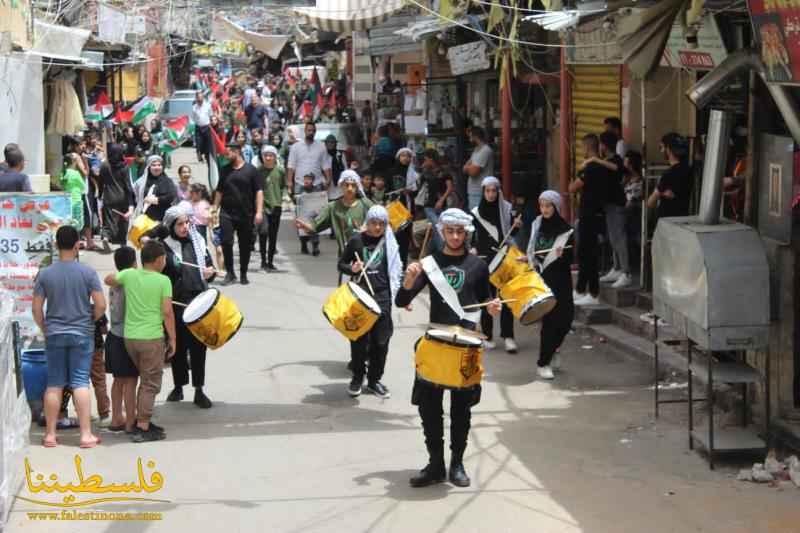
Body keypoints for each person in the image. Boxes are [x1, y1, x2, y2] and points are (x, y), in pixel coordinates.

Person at [395, 208, 502, 488]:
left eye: (460, 232)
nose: (455, 236)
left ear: (466, 233)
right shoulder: (429, 263)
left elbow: (486, 301)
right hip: (435, 345)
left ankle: (457, 464)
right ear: (442, 232)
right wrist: (408, 279)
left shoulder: (478, 266)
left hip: (465, 347)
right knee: (429, 410)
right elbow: (401, 299)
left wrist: (493, 309)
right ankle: (435, 464)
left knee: (461, 411)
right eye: (450, 231)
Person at [32, 226, 107, 448]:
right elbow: (101, 305)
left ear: (56, 245)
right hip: (81, 333)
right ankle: (85, 435)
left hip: (55, 332)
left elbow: (36, 309)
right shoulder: (88, 273)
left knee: (54, 383)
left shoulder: (45, 273)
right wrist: (89, 319)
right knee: (80, 382)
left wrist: (45, 328)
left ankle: (50, 435)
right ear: (77, 245)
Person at [104, 240, 176, 443]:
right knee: (150, 382)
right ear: (159, 259)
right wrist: (173, 338)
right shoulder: (163, 281)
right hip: (151, 338)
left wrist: (118, 279)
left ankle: (139, 419)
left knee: (141, 379)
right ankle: (142, 426)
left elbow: (109, 279)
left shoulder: (129, 274)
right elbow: (167, 312)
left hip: (130, 338)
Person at [148, 206, 216, 408]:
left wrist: (209, 273)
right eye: (180, 224)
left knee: (198, 347)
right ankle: (178, 386)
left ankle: (199, 389)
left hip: (198, 302)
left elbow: (209, 267)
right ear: (170, 225)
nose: (185, 227)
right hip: (175, 304)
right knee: (176, 348)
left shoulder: (198, 241)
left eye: (187, 222)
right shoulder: (163, 247)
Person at [337, 205, 402, 398]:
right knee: (358, 339)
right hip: (360, 296)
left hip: (383, 296)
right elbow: (341, 264)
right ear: (368, 222)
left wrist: (401, 296)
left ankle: (374, 380)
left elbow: (397, 268)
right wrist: (353, 269)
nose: (377, 227)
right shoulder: (357, 240)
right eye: (373, 223)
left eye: (381, 224)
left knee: (381, 341)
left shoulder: (389, 242)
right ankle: (357, 378)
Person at [526, 191, 575, 380]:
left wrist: (564, 256)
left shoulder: (566, 230)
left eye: (548, 206)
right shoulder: (536, 225)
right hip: (542, 280)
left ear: (556, 207)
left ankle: (554, 349)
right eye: (542, 206)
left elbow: (572, 258)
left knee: (566, 320)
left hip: (561, 279)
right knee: (549, 322)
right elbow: (533, 251)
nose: (545, 209)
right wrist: (529, 258)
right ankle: (543, 363)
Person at [470, 176, 521, 353]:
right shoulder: (475, 212)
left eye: (494, 190)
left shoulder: (507, 209)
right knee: (487, 299)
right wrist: (472, 249)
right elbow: (471, 236)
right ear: (483, 192)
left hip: (504, 258)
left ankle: (508, 336)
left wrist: (517, 225)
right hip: (484, 259)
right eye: (487, 190)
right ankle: (487, 336)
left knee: (505, 298)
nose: (491, 194)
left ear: (498, 191)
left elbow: (514, 231)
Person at [213, 143, 264, 285]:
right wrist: (214, 208)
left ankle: (243, 273)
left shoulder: (251, 170)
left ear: (237, 152)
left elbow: (259, 192)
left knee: (245, 244)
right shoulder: (224, 170)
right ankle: (230, 273)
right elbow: (219, 190)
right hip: (226, 213)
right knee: (226, 242)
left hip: (246, 214)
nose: (226, 156)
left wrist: (259, 212)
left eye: (228, 153)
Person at [294, 170, 373, 260]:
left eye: (353, 185)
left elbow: (382, 223)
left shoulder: (366, 204)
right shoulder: (333, 207)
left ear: (357, 186)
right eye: (346, 185)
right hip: (345, 256)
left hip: (366, 257)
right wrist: (304, 226)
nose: (350, 188)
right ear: (340, 186)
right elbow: (316, 225)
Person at [104, 246, 139, 434]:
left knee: (118, 380)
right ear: (134, 263)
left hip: (114, 334)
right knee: (131, 381)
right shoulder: (129, 282)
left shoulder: (115, 281)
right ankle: (130, 422)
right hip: (128, 335)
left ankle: (117, 417)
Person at [569, 134, 606, 306]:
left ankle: (593, 292)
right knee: (584, 253)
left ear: (587, 147)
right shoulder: (602, 166)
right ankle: (581, 289)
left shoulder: (591, 168)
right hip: (594, 213)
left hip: (590, 215)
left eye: (583, 147)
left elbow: (572, 187)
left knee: (588, 254)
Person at [594, 131, 632, 289]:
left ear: (604, 145)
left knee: (619, 237)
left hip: (616, 205)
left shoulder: (615, 159)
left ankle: (626, 272)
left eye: (601, 144)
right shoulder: (606, 160)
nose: (600, 147)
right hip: (608, 205)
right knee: (612, 237)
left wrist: (596, 160)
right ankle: (616, 268)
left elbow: (621, 170)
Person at [647, 132, 692, 221]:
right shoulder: (689, 170)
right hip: (683, 219)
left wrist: (661, 193)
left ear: (668, 149)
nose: (661, 151)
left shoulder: (668, 174)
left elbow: (650, 203)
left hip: (667, 221)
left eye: (661, 147)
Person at [258, 145, 288, 271]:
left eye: (271, 155)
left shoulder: (280, 170)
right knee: (263, 232)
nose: (268, 158)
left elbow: (284, 186)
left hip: (276, 206)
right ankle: (263, 261)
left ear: (275, 157)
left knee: (273, 235)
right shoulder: (258, 171)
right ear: (262, 157)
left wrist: (285, 196)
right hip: (263, 206)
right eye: (266, 155)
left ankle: (270, 261)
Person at [100, 144, 135, 245]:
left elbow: (101, 181)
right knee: (123, 220)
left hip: (108, 196)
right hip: (122, 197)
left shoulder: (104, 166)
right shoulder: (124, 167)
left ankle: (106, 237)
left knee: (108, 220)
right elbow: (128, 185)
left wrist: (100, 194)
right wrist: (131, 202)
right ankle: (122, 242)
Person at [420, 149, 452, 253]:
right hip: (428, 205)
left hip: (441, 205)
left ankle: (427, 253)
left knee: (436, 230)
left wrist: (441, 200)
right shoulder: (426, 172)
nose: (424, 162)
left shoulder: (444, 171)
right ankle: (442, 252)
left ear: (431, 159)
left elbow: (450, 188)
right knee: (438, 227)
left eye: (426, 160)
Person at [287, 122, 331, 196]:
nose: (311, 132)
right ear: (305, 131)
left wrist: (328, 179)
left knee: (317, 207)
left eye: (313, 131)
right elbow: (291, 165)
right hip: (300, 183)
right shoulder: (295, 147)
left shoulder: (321, 146)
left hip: (317, 183)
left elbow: (325, 165)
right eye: (309, 130)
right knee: (300, 207)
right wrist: (289, 182)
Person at [60, 154, 93, 249]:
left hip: (67, 201)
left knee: (68, 223)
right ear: (74, 162)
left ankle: (69, 245)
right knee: (77, 225)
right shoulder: (76, 174)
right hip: (77, 201)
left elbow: (61, 184)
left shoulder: (63, 173)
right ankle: (76, 245)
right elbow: (82, 185)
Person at [134, 155, 177, 223]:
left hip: (163, 218)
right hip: (144, 219)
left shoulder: (167, 181)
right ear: (148, 167)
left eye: (159, 165)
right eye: (153, 165)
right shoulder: (140, 182)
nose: (157, 167)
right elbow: (134, 197)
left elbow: (171, 196)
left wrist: (157, 200)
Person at [463, 127, 494, 210]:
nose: (469, 139)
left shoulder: (485, 150)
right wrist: (469, 167)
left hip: (480, 191)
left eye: (470, 136)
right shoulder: (476, 150)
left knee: (480, 218)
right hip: (473, 191)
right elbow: (465, 167)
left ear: (475, 136)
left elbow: (473, 172)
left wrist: (468, 168)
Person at [296, 173, 322, 256]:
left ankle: (315, 247)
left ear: (312, 181)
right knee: (303, 233)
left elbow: (321, 201)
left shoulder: (316, 189)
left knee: (314, 230)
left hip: (313, 214)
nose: (306, 181)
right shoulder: (300, 189)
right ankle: (304, 246)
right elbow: (295, 202)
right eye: (305, 179)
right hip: (303, 214)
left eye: (308, 179)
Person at [623, 150, 643, 249]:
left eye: (625, 163)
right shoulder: (627, 179)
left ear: (631, 165)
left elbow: (632, 203)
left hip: (634, 216)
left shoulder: (639, 183)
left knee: (637, 239)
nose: (624, 165)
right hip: (627, 215)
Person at [324, 134, 348, 201]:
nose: (330, 144)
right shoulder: (323, 155)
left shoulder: (340, 155)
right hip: (328, 187)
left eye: (332, 142)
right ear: (325, 144)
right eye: (328, 142)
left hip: (339, 188)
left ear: (335, 144)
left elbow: (345, 169)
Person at [192, 91, 213, 163]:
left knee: (207, 143)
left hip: (207, 127)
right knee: (199, 143)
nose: (199, 100)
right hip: (198, 127)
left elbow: (211, 116)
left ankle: (207, 156)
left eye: (201, 98)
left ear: (203, 98)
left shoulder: (208, 106)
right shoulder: (194, 107)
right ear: (196, 98)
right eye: (198, 98)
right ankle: (199, 154)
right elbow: (193, 118)